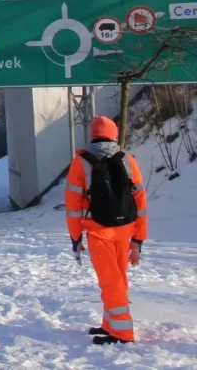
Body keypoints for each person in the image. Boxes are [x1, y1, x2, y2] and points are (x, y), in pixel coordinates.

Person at [65, 116, 148, 345]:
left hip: (99, 230)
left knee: (110, 281)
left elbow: (73, 206)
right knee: (118, 278)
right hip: (125, 229)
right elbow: (140, 202)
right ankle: (110, 324)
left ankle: (122, 333)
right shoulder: (128, 160)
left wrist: (75, 237)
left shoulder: (81, 163)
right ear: (114, 134)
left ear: (92, 134)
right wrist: (139, 238)